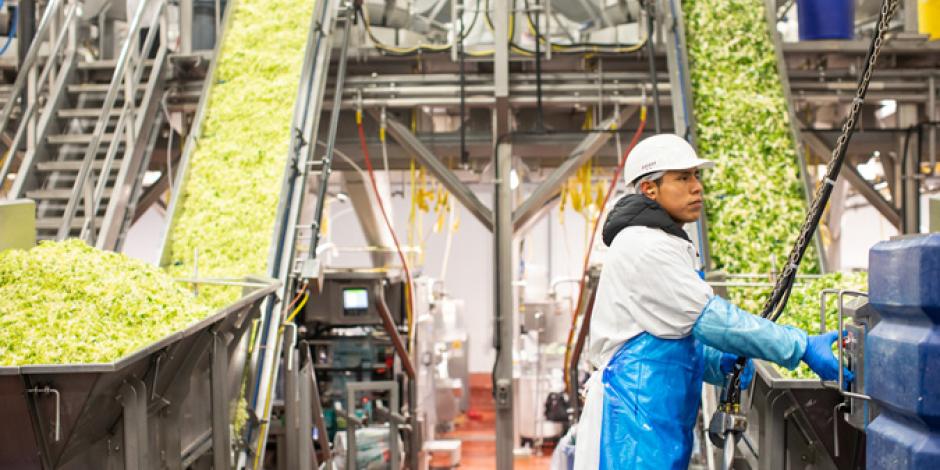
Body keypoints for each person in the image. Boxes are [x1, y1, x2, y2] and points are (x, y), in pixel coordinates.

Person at [572, 134, 851, 469]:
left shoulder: (666, 241)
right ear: (649, 189)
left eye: (696, 176)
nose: (696, 187)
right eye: (682, 178)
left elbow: (668, 337)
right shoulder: (644, 246)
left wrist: (716, 362)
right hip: (632, 421)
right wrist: (801, 345)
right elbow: (712, 320)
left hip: (652, 414)